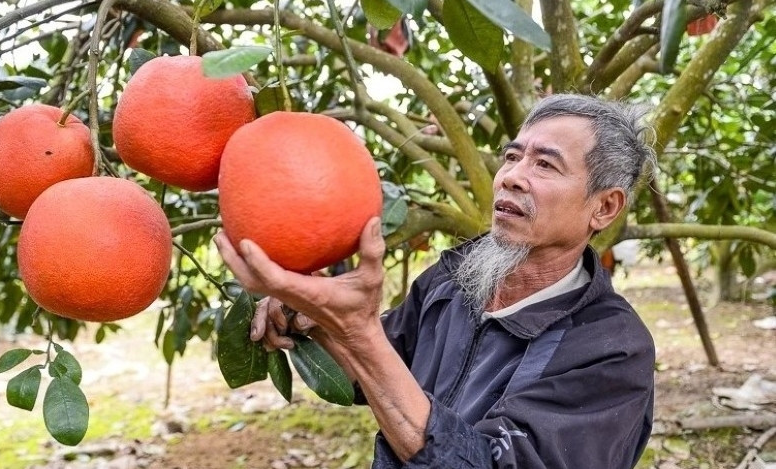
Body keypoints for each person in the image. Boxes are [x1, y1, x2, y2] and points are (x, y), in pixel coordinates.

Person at [214, 93, 657, 469]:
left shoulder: (611, 349)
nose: (512, 177)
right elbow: (373, 376)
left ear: (604, 207)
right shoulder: (455, 278)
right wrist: (316, 317)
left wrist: (358, 332)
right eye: (512, 156)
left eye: (545, 165)